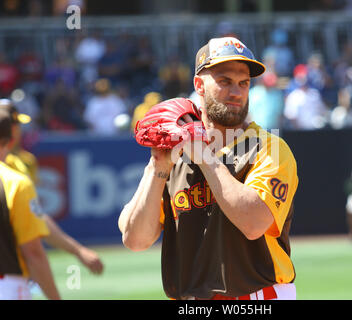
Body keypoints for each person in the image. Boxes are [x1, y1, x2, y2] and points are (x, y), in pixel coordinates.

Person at [119, 37, 299, 300]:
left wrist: (202, 152)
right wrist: (157, 166)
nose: (236, 92)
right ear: (199, 85)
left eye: (244, 83)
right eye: (225, 81)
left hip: (257, 297)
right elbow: (135, 239)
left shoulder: (268, 147)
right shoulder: (176, 154)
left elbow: (254, 223)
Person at [0, 99, 104, 275]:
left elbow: (36, 215)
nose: (19, 131)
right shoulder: (15, 171)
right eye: (17, 125)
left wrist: (78, 250)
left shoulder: (24, 162)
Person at [0, 109, 60, 300]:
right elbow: (33, 252)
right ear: (10, 139)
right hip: (7, 284)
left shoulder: (24, 163)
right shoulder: (14, 182)